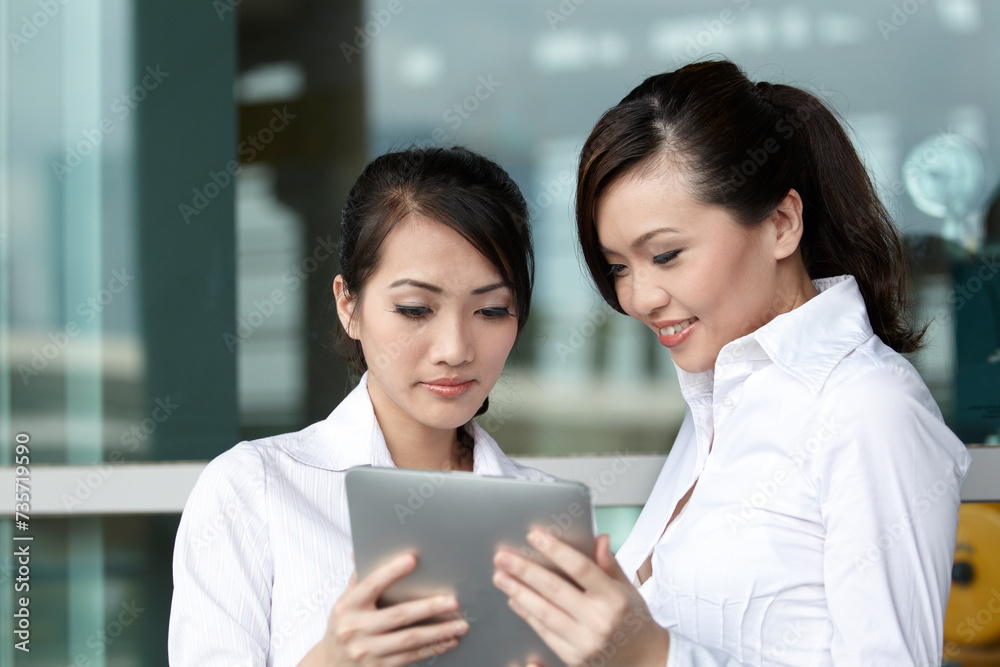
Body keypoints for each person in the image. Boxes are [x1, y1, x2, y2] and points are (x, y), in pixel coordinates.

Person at [491, 60, 973, 666]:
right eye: (617, 267)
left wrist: (651, 657)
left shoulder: (868, 410)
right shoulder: (718, 399)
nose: (636, 298)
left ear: (780, 223)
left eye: (666, 254)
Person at [168, 146, 552, 667]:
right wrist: (332, 659)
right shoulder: (252, 489)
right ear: (348, 305)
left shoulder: (546, 516)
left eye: (491, 310)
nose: (455, 349)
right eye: (415, 309)